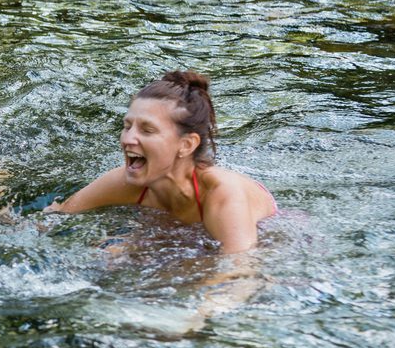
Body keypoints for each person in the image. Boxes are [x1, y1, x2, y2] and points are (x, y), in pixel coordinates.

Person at [45, 70, 276, 254]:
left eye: (147, 130)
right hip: (177, 234)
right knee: (109, 256)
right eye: (127, 126)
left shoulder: (223, 194)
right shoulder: (128, 181)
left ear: (186, 145)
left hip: (268, 242)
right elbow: (56, 216)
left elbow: (240, 275)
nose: (127, 139)